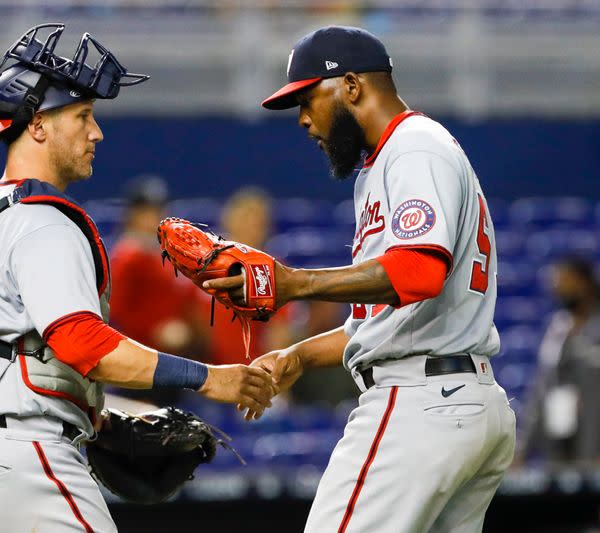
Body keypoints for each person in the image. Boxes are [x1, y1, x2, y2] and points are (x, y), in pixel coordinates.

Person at [0, 24, 274, 533]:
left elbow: (13, 352)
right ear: (38, 125)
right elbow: (82, 342)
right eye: (83, 116)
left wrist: (96, 422)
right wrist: (211, 377)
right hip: (26, 465)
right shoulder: (44, 220)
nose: (97, 133)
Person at [205, 26, 515, 532]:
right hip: (455, 395)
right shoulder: (389, 162)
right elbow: (386, 319)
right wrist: (299, 355)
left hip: (418, 403)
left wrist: (296, 284)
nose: (303, 119)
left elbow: (419, 272)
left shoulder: (413, 148)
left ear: (350, 86)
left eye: (307, 99)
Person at [519, 257, 600, 466]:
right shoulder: (557, 328)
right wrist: (523, 451)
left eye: (568, 282)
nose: (559, 288)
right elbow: (542, 390)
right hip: (560, 447)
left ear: (586, 284)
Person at [108, 175, 204, 357]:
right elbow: (116, 312)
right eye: (145, 212)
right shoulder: (127, 256)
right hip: (142, 357)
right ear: (132, 215)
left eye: (156, 211)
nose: (152, 218)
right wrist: (153, 330)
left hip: (175, 354)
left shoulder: (168, 252)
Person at [205, 187, 293, 364]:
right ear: (229, 221)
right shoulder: (203, 264)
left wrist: (273, 376)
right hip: (203, 372)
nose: (251, 228)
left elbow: (279, 331)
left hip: (252, 373)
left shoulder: (272, 269)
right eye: (245, 220)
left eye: (258, 222)